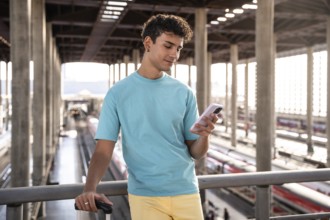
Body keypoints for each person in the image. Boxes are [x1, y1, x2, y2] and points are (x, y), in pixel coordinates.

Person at [75, 13, 218, 220]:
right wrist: (89, 188)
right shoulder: (118, 93)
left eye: (178, 48)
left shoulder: (184, 93)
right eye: (168, 46)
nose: (174, 54)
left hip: (187, 191)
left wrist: (205, 135)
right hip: (145, 197)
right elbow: (103, 150)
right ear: (148, 43)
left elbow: (196, 153)